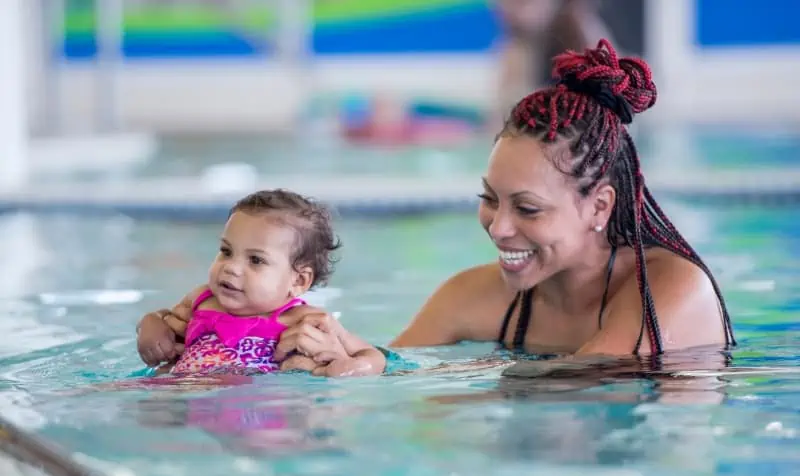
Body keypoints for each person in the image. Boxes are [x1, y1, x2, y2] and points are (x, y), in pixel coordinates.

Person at [138, 39, 735, 378]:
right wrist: (333, 352)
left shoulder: (673, 290)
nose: (499, 228)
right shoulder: (474, 295)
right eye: (490, 199)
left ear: (599, 205)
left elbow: (584, 385)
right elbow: (398, 370)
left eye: (527, 208)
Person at [135, 189, 385, 377]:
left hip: (258, 402)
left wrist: (353, 367)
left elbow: (373, 356)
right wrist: (151, 327)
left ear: (298, 281)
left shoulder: (306, 319)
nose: (231, 267)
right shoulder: (202, 299)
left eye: (255, 260)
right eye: (226, 251)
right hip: (183, 390)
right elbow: (164, 318)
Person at [492, 0, 616, 126]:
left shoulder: (585, 35)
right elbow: (506, 107)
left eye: (521, 2)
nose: (506, 10)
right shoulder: (519, 43)